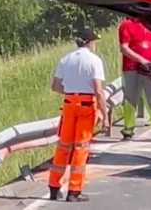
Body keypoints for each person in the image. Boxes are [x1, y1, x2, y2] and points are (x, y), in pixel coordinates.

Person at [48, 29, 108, 202]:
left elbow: (55, 86)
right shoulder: (94, 61)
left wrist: (70, 92)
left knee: (63, 146)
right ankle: (74, 191)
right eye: (94, 41)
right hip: (86, 105)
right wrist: (104, 115)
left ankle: (54, 186)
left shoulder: (65, 59)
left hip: (68, 103)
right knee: (81, 148)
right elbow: (98, 90)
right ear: (89, 42)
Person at [119, 17, 151, 141]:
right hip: (131, 67)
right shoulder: (126, 25)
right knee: (131, 99)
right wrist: (141, 60)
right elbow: (124, 48)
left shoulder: (150, 24)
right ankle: (128, 129)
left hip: (149, 67)